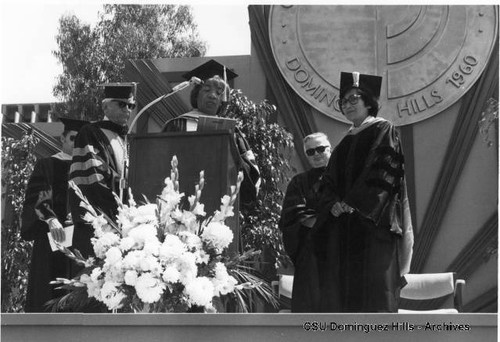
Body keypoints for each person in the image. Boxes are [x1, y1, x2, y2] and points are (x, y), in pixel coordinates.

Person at [313, 71, 414, 312]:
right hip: (345, 230)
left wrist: (352, 202)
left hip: (374, 227)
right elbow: (328, 182)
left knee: (375, 294)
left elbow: (382, 176)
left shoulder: (384, 130)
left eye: (353, 99)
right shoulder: (344, 142)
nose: (347, 105)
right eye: (343, 101)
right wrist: (334, 204)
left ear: (368, 101)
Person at [162, 59, 260, 208]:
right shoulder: (177, 125)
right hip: (180, 204)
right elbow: (160, 165)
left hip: (220, 205)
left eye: (219, 93)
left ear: (223, 101)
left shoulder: (233, 132)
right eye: (207, 90)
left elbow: (250, 175)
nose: (213, 95)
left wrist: (232, 155)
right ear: (196, 94)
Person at [21, 117, 87, 312]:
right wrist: (51, 219)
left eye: (81, 141)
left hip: (79, 242)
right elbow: (38, 195)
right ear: (63, 139)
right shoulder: (48, 164)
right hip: (53, 238)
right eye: (73, 139)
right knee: (48, 290)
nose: (77, 145)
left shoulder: (88, 169)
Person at [69, 82, 137, 260]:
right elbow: (92, 178)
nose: (127, 110)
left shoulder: (128, 139)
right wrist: (116, 212)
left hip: (127, 224)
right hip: (100, 223)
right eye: (121, 104)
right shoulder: (91, 132)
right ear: (105, 107)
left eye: (131, 105)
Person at [278, 132, 332, 312]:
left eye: (320, 149)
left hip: (341, 251)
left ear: (329, 149)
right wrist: (329, 218)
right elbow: (293, 215)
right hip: (311, 255)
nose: (316, 154)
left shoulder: (345, 178)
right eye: (310, 152)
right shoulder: (299, 182)